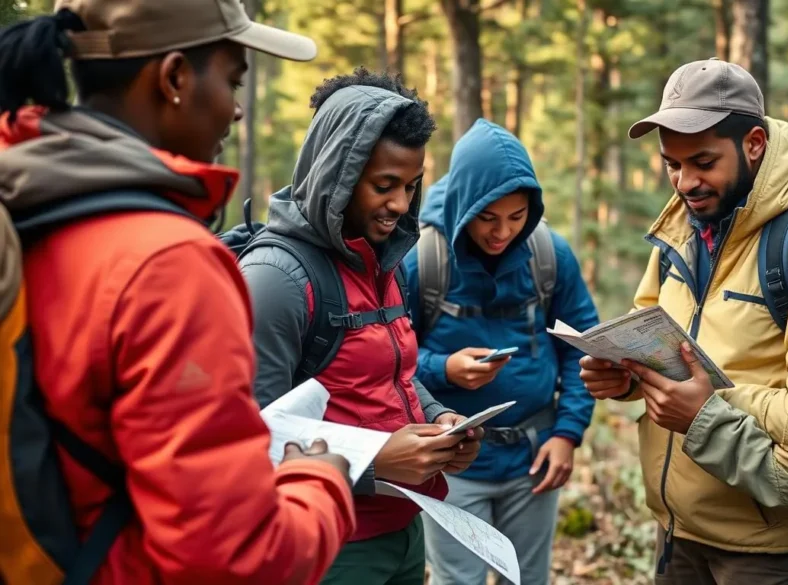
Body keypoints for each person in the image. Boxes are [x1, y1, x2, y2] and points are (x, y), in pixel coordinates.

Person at [0, 2, 357, 585]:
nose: (238, 108)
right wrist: (321, 481)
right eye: (233, 79)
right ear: (173, 78)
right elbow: (231, 560)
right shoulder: (167, 265)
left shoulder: (23, 198)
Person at [579, 58, 788, 585]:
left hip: (765, 548)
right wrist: (627, 374)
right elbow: (657, 329)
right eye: (672, 165)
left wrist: (702, 416)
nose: (684, 182)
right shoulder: (686, 226)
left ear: (754, 143)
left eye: (702, 161)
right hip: (677, 530)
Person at [239, 67, 482, 585]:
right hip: (328, 546)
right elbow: (248, 438)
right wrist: (374, 463)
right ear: (336, 175)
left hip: (405, 528)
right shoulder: (275, 279)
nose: (400, 204)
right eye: (384, 185)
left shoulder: (377, 259)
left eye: (411, 186)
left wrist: (441, 422)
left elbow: (387, 375)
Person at [405, 118, 600, 585]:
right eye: (488, 218)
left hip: (532, 459)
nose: (502, 233)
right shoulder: (422, 259)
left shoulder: (549, 254)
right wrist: (444, 369)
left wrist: (568, 433)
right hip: (453, 463)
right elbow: (392, 360)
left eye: (516, 218)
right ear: (463, 205)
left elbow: (584, 349)